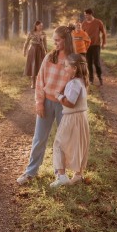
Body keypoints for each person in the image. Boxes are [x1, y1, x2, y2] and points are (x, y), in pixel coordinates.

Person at [16, 25, 75, 185]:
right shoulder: (50, 57)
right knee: (39, 138)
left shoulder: (74, 60)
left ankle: (60, 174)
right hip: (47, 102)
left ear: (66, 40)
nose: (54, 43)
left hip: (65, 106)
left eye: (57, 40)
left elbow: (78, 84)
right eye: (54, 40)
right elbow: (40, 80)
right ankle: (30, 172)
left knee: (62, 140)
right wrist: (39, 103)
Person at [51, 53, 90, 188]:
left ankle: (62, 176)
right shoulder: (81, 81)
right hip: (81, 117)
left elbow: (71, 102)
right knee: (78, 145)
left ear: (74, 68)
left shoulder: (74, 83)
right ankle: (78, 175)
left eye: (66, 66)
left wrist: (59, 96)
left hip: (72, 117)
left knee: (59, 144)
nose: (64, 68)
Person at [81, 8, 107, 86]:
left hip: (96, 45)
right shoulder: (84, 23)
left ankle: (100, 77)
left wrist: (104, 43)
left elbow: (104, 33)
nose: (85, 16)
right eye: (85, 15)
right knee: (88, 63)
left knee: (96, 62)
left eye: (86, 15)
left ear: (90, 14)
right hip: (87, 46)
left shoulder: (98, 22)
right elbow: (81, 34)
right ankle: (91, 79)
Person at [23, 20, 48, 89]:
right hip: (33, 51)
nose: (41, 27)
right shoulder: (31, 33)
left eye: (42, 26)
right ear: (36, 26)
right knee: (33, 66)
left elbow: (45, 43)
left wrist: (46, 51)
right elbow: (27, 42)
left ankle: (40, 83)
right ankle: (33, 83)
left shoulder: (43, 33)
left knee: (40, 66)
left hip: (40, 51)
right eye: (40, 26)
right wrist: (24, 51)